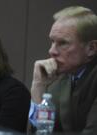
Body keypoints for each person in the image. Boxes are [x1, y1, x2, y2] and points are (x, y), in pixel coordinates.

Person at [29, 6, 97, 134]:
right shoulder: (59, 79)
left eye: (63, 43)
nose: (51, 51)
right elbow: (41, 130)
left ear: (91, 48)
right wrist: (38, 87)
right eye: (52, 42)